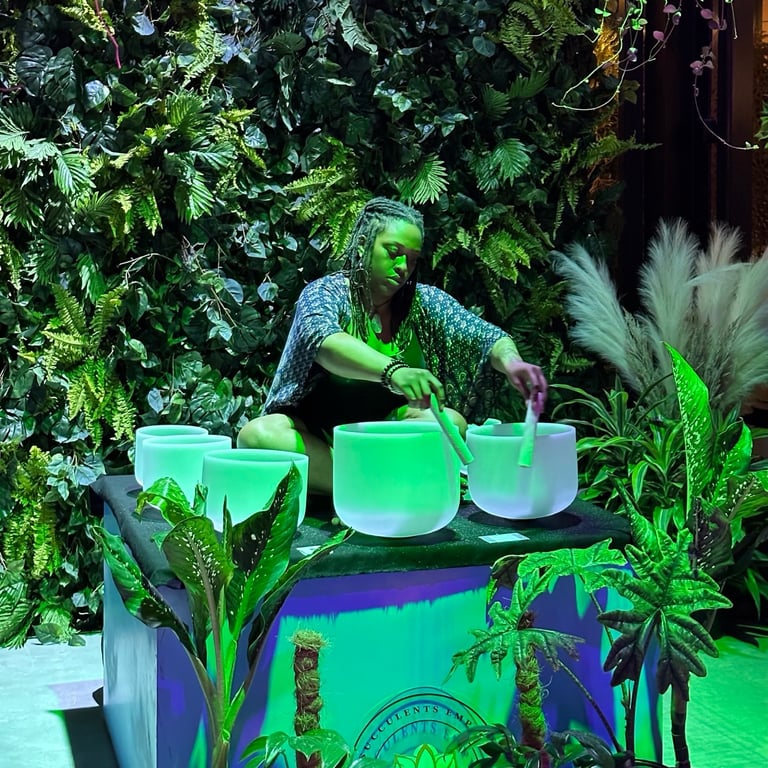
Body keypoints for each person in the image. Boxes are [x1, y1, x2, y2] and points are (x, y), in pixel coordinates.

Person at [237, 197, 547, 494]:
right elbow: (324, 341)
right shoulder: (326, 293)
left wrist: (512, 362)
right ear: (363, 244)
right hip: (320, 441)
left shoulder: (422, 303)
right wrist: (394, 371)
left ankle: (360, 485)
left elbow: (487, 336)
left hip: (387, 439)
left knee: (450, 423)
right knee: (257, 436)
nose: (402, 267)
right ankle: (381, 485)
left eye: (412, 259)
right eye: (393, 252)